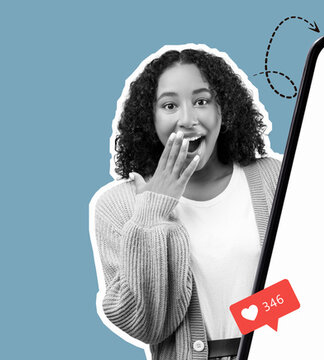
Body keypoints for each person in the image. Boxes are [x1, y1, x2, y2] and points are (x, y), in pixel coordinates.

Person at [90, 45, 281, 360]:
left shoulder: (273, 177)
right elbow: (146, 325)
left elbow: (316, 275)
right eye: (169, 106)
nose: (188, 119)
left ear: (225, 110)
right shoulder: (118, 205)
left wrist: (249, 321)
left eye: (202, 101)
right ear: (149, 119)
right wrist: (153, 211)